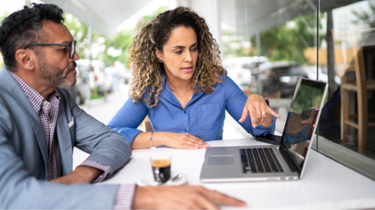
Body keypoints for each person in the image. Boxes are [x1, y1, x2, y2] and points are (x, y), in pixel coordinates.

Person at [0, 3, 246, 209]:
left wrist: (78, 177)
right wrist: (140, 196)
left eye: (193, 49)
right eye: (66, 49)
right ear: (26, 59)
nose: (76, 56)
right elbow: (12, 196)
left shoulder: (59, 99)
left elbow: (112, 140)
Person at [108, 7, 280, 149]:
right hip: (170, 177)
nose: (189, 58)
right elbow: (110, 134)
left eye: (193, 48)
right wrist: (164, 138)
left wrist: (259, 104)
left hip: (213, 172)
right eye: (178, 51)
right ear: (159, 54)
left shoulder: (219, 83)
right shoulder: (149, 90)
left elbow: (261, 131)